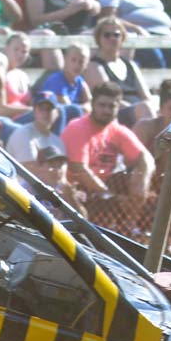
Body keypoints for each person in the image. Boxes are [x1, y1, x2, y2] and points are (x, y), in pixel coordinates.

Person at [63, 79, 154, 231]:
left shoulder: (116, 129)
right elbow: (79, 170)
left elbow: (146, 158)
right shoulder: (77, 127)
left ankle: (131, 228)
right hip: (79, 190)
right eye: (102, 105)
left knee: (143, 184)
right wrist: (110, 195)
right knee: (113, 199)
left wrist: (141, 184)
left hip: (106, 188)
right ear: (93, 105)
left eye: (111, 106)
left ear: (118, 107)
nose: (106, 110)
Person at [85, 16, 149, 124]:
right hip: (116, 113)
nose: (112, 38)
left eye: (116, 35)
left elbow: (146, 96)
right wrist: (139, 108)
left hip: (143, 112)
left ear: (122, 38)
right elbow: (109, 99)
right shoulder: (94, 66)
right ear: (98, 38)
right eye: (107, 35)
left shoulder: (130, 65)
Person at [4, 94, 66, 170]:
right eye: (41, 108)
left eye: (49, 109)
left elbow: (61, 176)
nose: (45, 113)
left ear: (57, 113)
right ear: (34, 112)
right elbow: (31, 171)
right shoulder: (23, 134)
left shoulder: (58, 142)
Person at [31, 42, 91, 119]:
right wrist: (85, 108)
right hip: (44, 119)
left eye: (81, 62)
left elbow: (90, 102)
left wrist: (86, 107)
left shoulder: (79, 81)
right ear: (65, 59)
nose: (77, 65)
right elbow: (70, 109)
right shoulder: (57, 80)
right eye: (73, 60)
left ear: (86, 65)